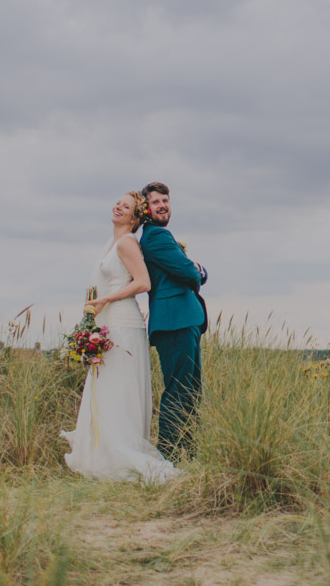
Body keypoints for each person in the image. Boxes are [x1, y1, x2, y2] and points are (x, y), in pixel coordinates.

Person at [61, 191, 179, 483]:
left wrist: (106, 300)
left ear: (135, 217)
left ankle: (120, 452)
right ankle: (101, 454)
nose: (118, 207)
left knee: (118, 389)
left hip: (123, 323)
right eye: (117, 202)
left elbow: (143, 282)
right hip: (107, 320)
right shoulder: (111, 243)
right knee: (105, 389)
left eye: (125, 206)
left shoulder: (127, 243)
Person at [138, 181, 208, 459]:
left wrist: (194, 269)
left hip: (182, 321)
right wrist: (199, 271)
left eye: (165, 201)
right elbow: (189, 273)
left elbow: (185, 270)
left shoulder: (161, 236)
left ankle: (188, 453)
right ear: (146, 208)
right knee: (179, 391)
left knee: (190, 390)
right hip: (174, 321)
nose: (162, 206)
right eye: (155, 202)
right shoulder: (156, 237)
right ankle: (166, 456)